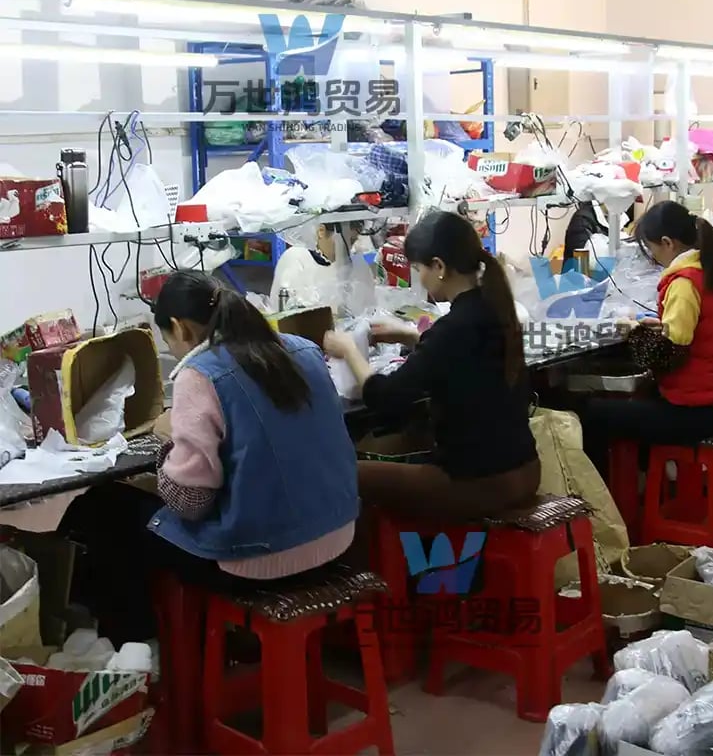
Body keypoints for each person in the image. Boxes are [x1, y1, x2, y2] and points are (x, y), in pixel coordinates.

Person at [60, 271, 358, 645]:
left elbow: (190, 502)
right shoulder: (303, 349)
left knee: (102, 510)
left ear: (179, 328)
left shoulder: (201, 375)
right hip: (336, 534)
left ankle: (137, 650)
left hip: (261, 559)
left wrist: (168, 441)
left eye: (168, 340)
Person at [323, 210, 540, 520]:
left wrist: (349, 351)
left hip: (482, 483)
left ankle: (376, 567)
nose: (419, 277)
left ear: (438, 266)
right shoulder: (496, 309)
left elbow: (384, 398)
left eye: (418, 268)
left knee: (342, 472)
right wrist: (413, 337)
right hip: (524, 469)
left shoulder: (452, 330)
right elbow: (462, 357)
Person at [581, 201, 713, 472]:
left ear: (667, 243)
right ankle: (656, 483)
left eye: (651, 248)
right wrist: (661, 326)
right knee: (641, 401)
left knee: (591, 413)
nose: (652, 257)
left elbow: (667, 355)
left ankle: (606, 502)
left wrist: (635, 332)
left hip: (698, 411)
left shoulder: (685, 283)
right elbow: (701, 329)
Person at [269, 221, 363, 310]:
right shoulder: (296, 257)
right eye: (344, 241)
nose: (348, 248)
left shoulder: (346, 264)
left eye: (352, 242)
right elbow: (284, 309)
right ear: (321, 231)